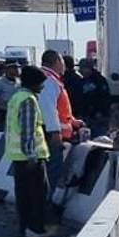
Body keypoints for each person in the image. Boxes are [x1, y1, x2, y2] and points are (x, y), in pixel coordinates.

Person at [8, 67, 52, 237]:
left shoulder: (16, 97)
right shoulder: (28, 100)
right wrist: (31, 155)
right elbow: (28, 130)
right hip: (30, 158)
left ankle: (25, 227)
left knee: (24, 194)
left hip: (18, 156)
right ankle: (35, 228)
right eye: (41, 83)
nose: (42, 87)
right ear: (34, 83)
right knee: (38, 194)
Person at [38, 50, 81, 190]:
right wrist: (55, 132)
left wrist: (72, 120)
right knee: (52, 172)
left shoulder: (49, 79)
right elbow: (48, 109)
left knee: (50, 171)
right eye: (62, 62)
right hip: (51, 134)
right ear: (56, 62)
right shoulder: (49, 81)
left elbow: (58, 107)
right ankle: (47, 204)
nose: (64, 66)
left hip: (50, 131)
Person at [75, 59, 112, 136]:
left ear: (89, 68)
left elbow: (105, 98)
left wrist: (100, 112)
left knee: (100, 138)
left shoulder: (99, 80)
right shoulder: (81, 80)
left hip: (98, 117)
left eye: (83, 68)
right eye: (80, 68)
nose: (81, 70)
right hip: (86, 116)